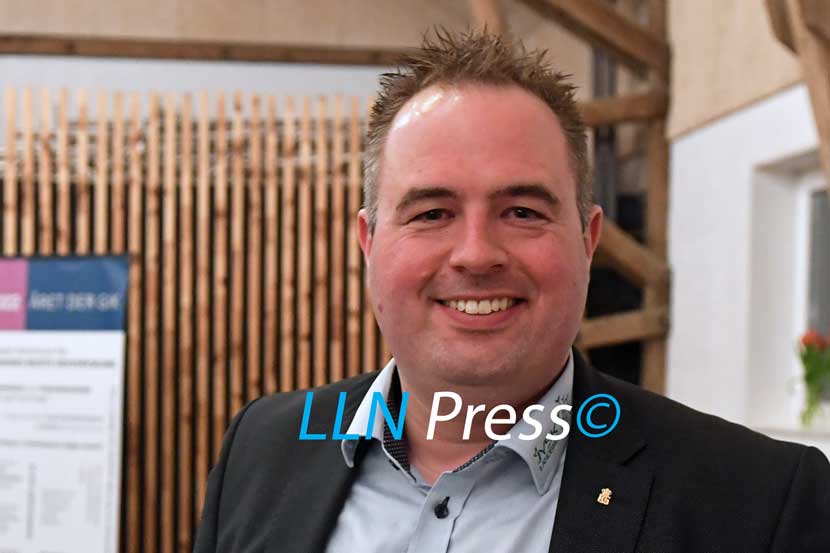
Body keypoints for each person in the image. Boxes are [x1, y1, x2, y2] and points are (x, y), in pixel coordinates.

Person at [193, 30, 830, 553]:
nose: (476, 254)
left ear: (588, 241)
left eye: (522, 211)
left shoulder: (759, 504)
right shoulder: (262, 448)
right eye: (431, 213)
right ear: (369, 242)